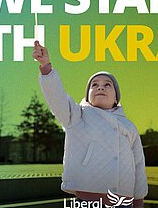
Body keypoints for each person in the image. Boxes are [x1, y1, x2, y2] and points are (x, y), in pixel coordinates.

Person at [33, 41, 148, 208]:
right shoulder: (77, 116)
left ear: (116, 98)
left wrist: (139, 201)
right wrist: (45, 67)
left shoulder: (129, 126)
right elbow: (56, 97)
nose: (100, 87)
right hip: (88, 201)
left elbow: (138, 165)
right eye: (94, 85)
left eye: (107, 85)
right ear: (87, 96)